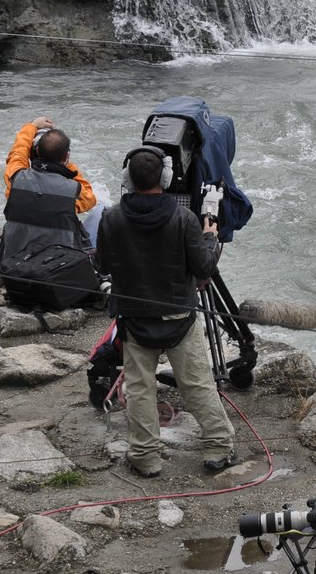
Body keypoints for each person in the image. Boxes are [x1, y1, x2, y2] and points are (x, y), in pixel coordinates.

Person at [95, 147, 236, 479]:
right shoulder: (184, 219)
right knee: (197, 384)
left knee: (141, 387)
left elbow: (101, 265)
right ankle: (218, 446)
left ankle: (145, 457)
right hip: (178, 318)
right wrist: (209, 236)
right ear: (166, 178)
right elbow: (203, 268)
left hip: (134, 319)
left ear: (127, 179)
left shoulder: (111, 218)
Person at [4, 117, 101, 248]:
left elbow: (17, 153)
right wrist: (66, 166)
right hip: (58, 262)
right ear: (66, 156)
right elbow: (90, 199)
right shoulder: (72, 191)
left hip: (15, 260)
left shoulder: (16, 180)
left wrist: (32, 126)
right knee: (101, 210)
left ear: (35, 151)